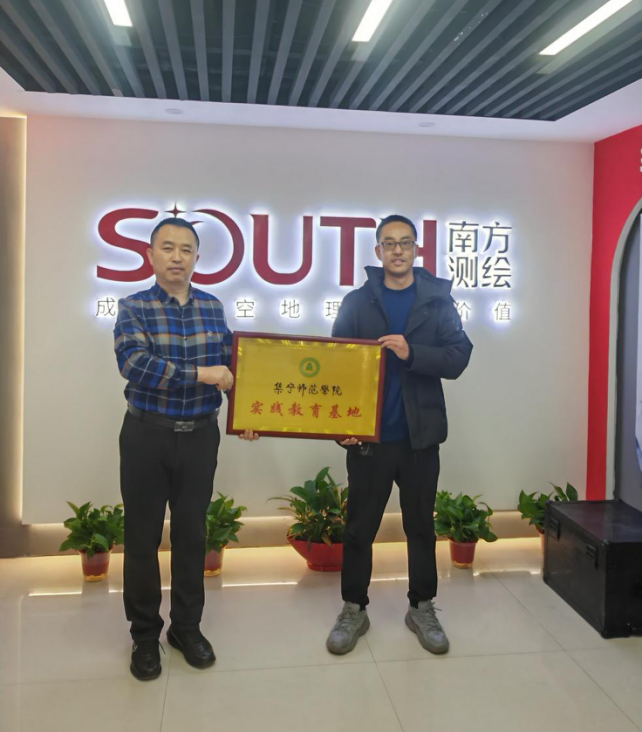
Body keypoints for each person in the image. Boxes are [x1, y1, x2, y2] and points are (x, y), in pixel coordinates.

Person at [114, 217, 256, 681]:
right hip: (146, 435)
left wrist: (248, 412)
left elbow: (235, 366)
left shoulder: (212, 307)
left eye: (186, 249)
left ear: (197, 258)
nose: (177, 257)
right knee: (141, 538)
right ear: (150, 255)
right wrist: (201, 375)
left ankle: (186, 629)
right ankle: (144, 636)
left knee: (193, 536)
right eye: (168, 247)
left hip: (199, 436)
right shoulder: (133, 307)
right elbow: (136, 364)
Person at [326, 214, 473, 656]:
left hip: (419, 438)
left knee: (420, 527)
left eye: (405, 242)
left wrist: (413, 353)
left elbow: (458, 357)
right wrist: (341, 427)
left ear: (416, 249)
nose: (397, 250)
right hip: (369, 439)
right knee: (359, 529)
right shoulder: (357, 302)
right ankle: (354, 608)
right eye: (388, 243)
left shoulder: (438, 302)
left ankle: (422, 607)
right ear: (377, 251)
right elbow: (336, 367)